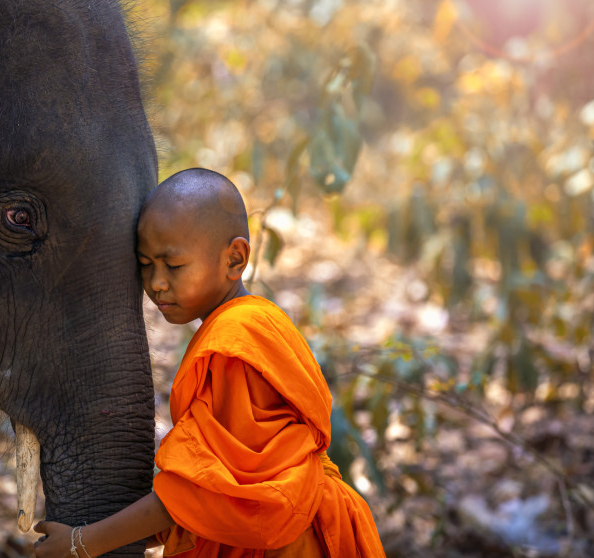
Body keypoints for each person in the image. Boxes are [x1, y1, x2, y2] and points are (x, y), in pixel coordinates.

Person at [32, 168, 385, 557]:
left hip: (287, 541)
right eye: (146, 264)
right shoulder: (248, 322)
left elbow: (197, 490)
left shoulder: (234, 343)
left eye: (174, 266)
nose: (157, 282)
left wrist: (84, 542)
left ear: (235, 259)